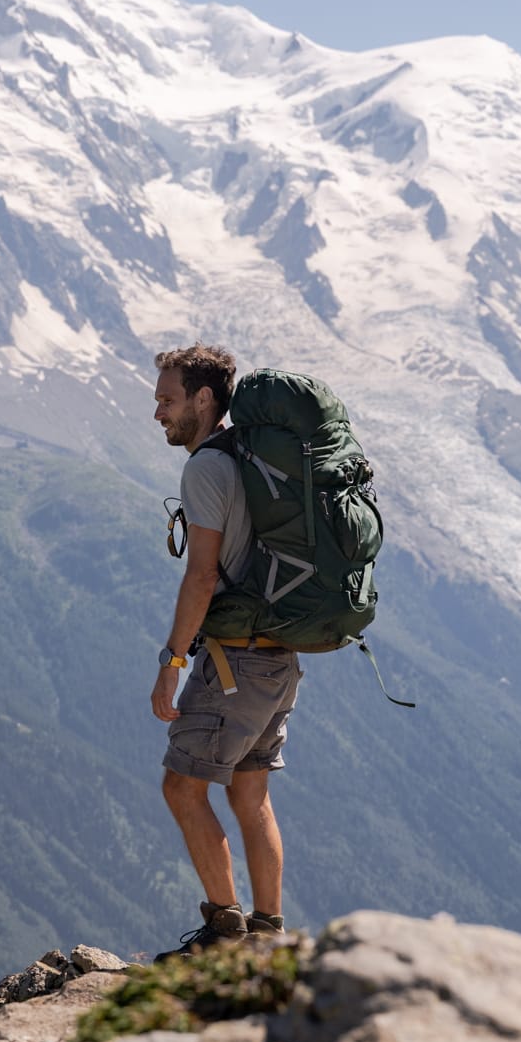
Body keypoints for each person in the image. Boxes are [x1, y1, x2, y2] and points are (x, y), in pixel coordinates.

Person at [148, 344, 298, 956]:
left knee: (182, 787)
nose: (157, 412)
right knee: (248, 790)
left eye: (167, 399)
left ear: (204, 399)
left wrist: (172, 662)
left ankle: (224, 932)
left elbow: (203, 575)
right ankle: (267, 934)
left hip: (235, 661)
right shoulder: (252, 458)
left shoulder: (207, 468)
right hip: (279, 657)